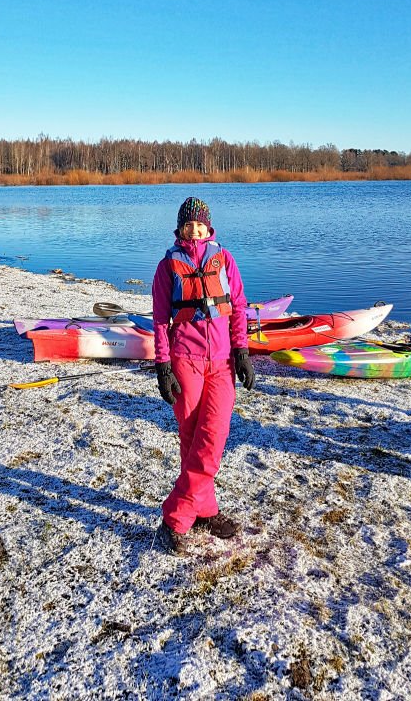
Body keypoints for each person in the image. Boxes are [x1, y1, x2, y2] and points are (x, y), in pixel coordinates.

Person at [152, 196, 254, 554]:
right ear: (180, 228)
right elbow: (160, 321)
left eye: (200, 224)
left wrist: (242, 352)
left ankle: (175, 516)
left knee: (212, 438)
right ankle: (205, 509)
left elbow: (238, 307)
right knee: (192, 438)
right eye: (188, 224)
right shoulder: (167, 267)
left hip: (222, 362)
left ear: (208, 227)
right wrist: (163, 366)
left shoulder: (224, 259)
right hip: (185, 361)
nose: (194, 230)